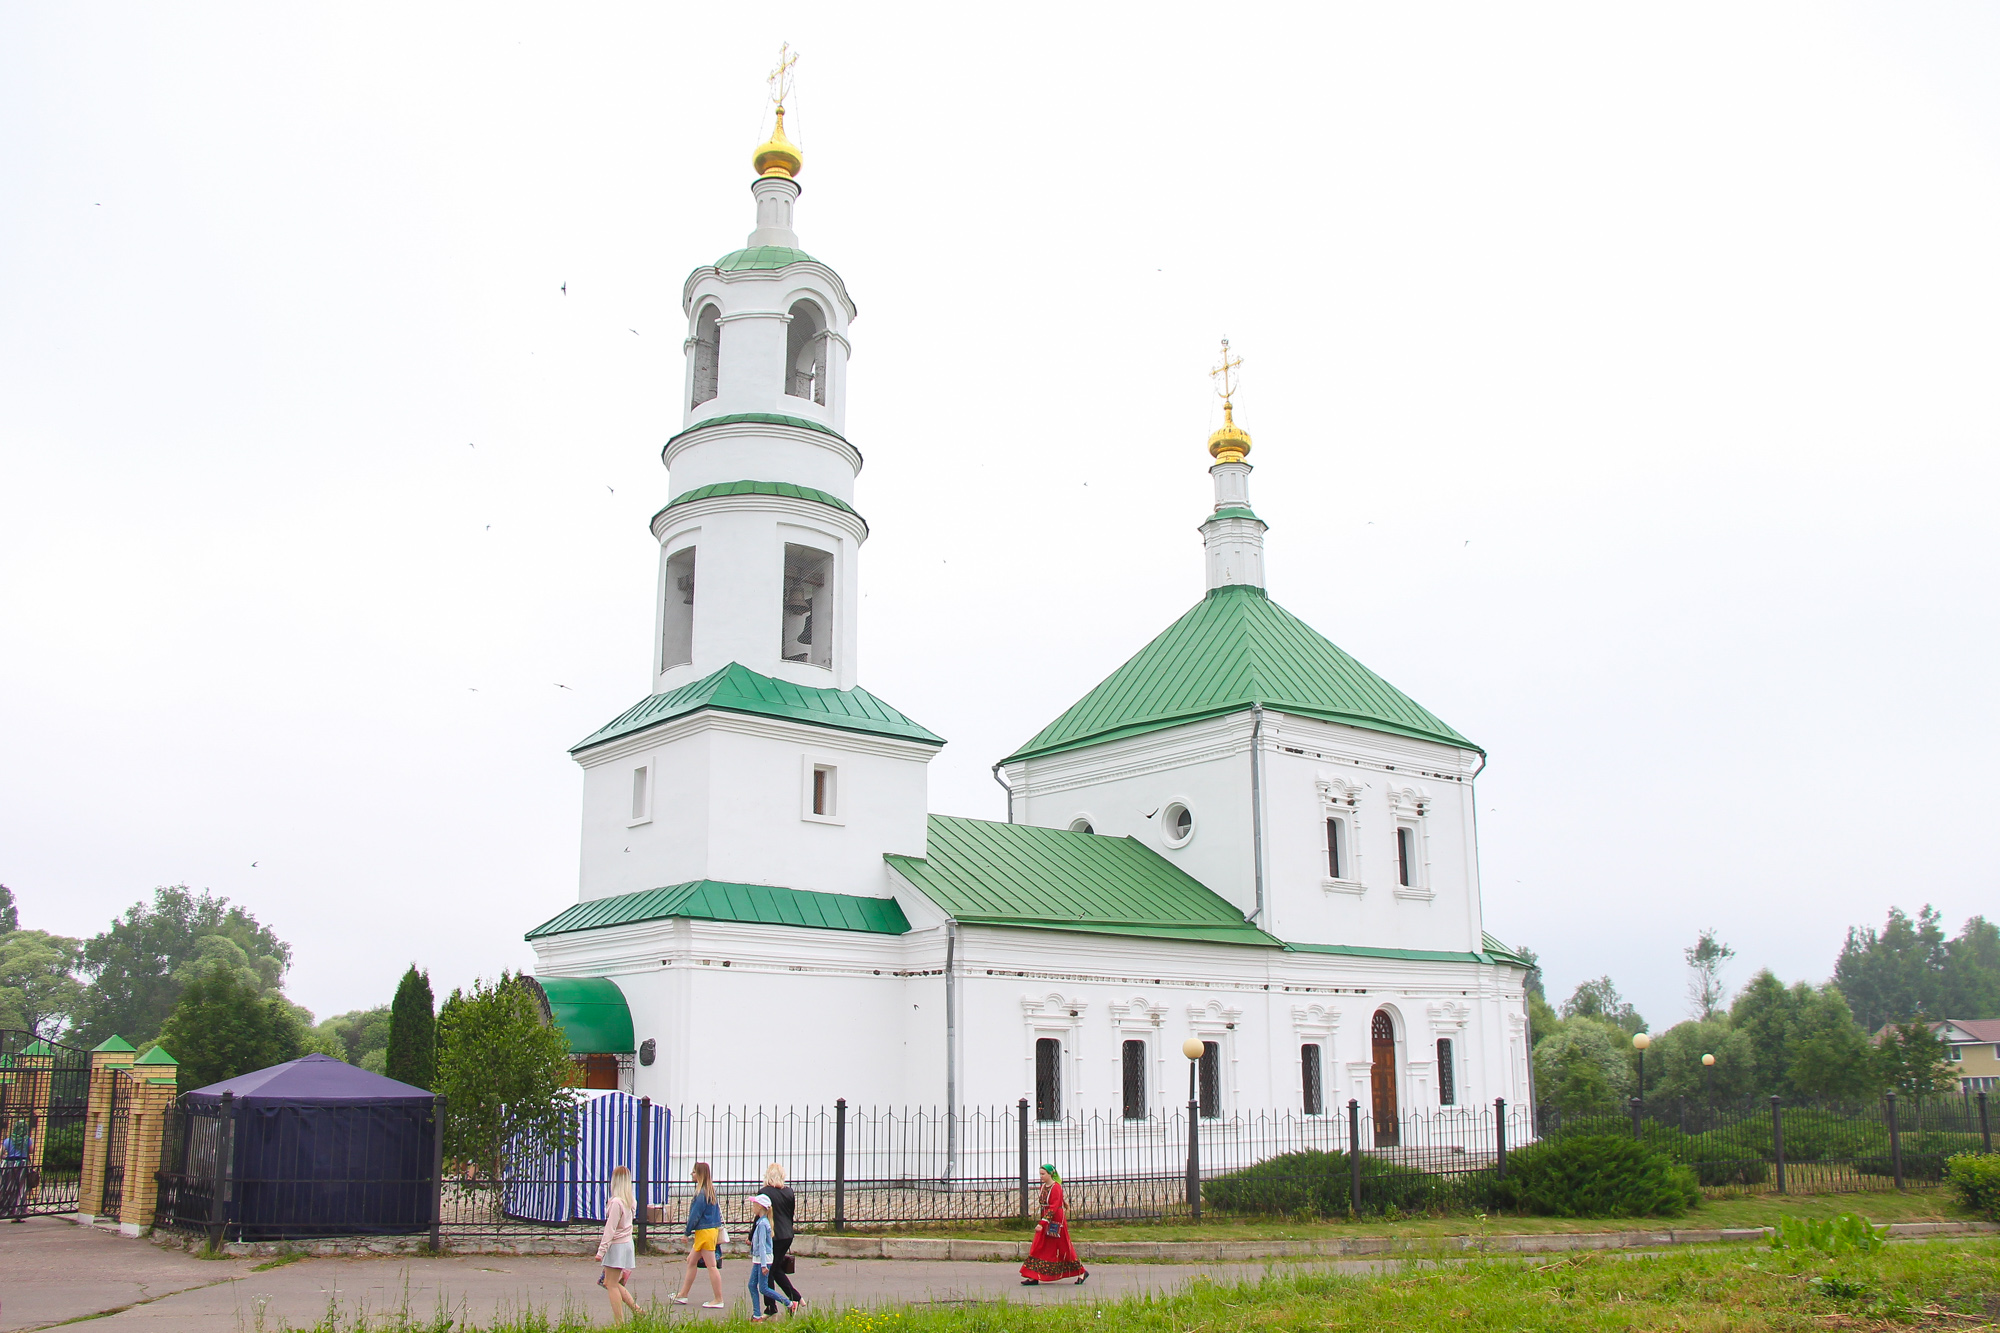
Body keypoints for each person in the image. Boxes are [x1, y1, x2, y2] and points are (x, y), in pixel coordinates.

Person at [1019, 1164, 1087, 1286]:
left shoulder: (1056, 1187)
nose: (1041, 1176)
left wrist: (1043, 1222)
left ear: (1051, 1174)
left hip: (1055, 1220)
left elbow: (1054, 1206)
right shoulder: (1044, 1187)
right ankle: (1034, 1275)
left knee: (1063, 1246)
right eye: (1040, 1174)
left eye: (1043, 1174)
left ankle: (1081, 1271)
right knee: (1039, 1245)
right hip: (1046, 1217)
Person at [672, 1160, 726, 1309]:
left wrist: (686, 1233)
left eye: (694, 1171)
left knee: (711, 1266)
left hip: (704, 1233)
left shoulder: (701, 1194)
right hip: (709, 1232)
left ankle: (718, 1298)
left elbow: (694, 1216)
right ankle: (683, 1294)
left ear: (700, 1174)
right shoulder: (709, 1191)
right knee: (691, 1261)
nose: (692, 1174)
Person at [594, 1164, 641, 1323]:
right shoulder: (630, 1200)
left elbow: (610, 1228)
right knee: (611, 1282)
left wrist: (601, 1251)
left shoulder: (616, 1203)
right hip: (627, 1244)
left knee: (610, 1284)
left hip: (617, 1246)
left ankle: (620, 1323)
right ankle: (636, 1310)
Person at [744, 1192, 796, 1321]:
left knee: (763, 1288)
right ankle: (756, 1315)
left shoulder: (762, 1224)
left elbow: (762, 1245)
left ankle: (789, 1303)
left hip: (763, 1260)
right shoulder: (762, 1222)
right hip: (759, 1259)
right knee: (752, 1285)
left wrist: (763, 1265)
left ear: (760, 1207)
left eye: (754, 1205)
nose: (752, 1207)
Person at [760, 1163, 803, 1315]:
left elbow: (760, 1216)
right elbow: (790, 1215)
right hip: (787, 1235)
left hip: (773, 1236)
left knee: (768, 1271)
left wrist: (752, 1236)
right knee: (775, 1269)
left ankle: (771, 1307)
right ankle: (796, 1298)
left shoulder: (764, 1192)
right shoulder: (789, 1192)